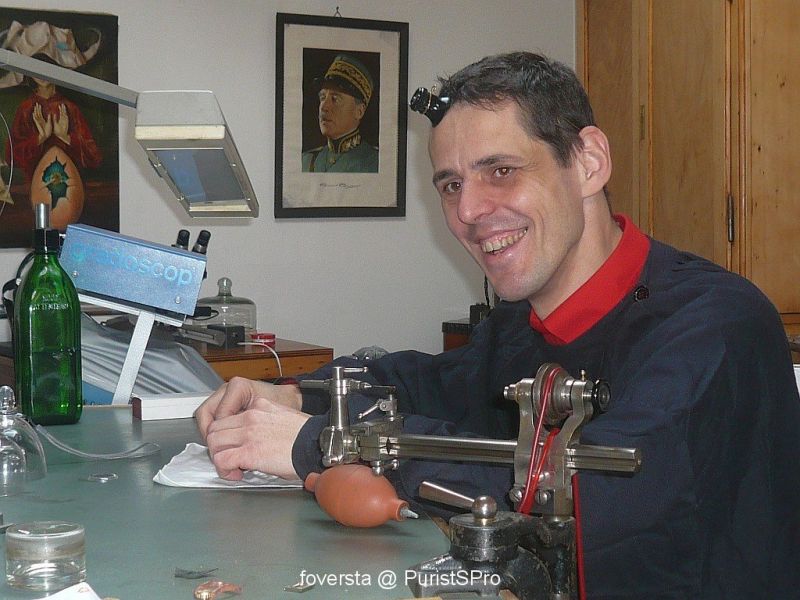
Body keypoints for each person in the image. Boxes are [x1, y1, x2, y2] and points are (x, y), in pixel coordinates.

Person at [196, 52, 800, 598]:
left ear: (588, 163)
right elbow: (428, 381)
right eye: (452, 185)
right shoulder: (520, 324)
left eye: (502, 171)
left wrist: (315, 441)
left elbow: (575, 497)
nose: (467, 211)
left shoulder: (716, 326)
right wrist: (300, 393)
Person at [301, 54, 378, 173]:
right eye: (322, 97)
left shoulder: (375, 163)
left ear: (359, 111)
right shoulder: (306, 161)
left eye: (335, 99)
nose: (324, 107)